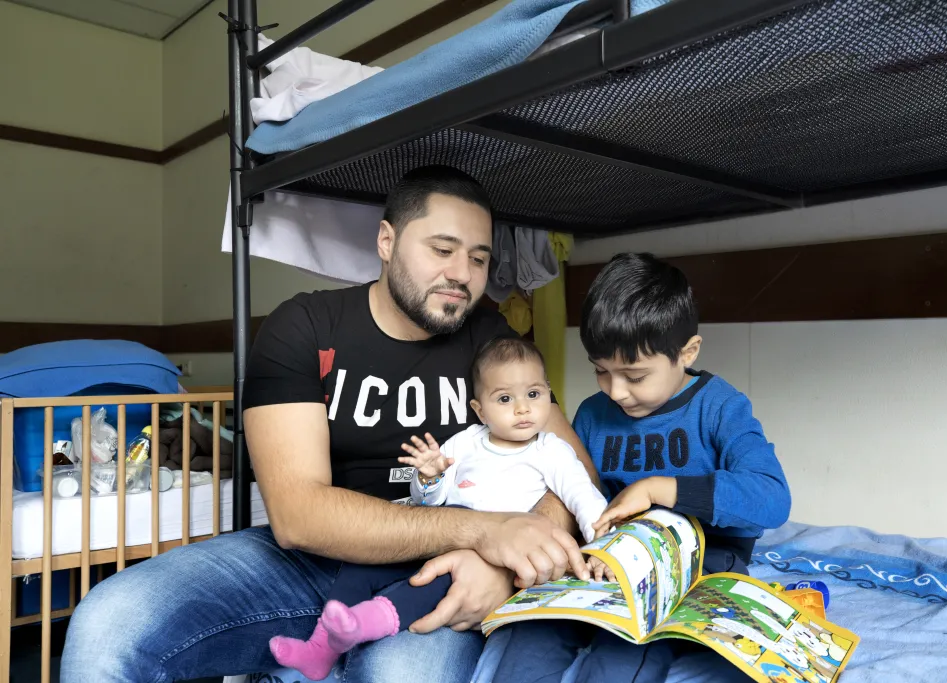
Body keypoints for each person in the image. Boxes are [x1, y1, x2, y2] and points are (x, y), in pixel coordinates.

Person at [59, 165, 598, 683]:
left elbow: (574, 468)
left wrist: (503, 565)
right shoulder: (305, 325)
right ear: (386, 241)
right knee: (108, 624)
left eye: (479, 259)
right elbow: (299, 516)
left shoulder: (489, 335)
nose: (461, 274)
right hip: (309, 562)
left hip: (439, 570)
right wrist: (484, 530)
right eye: (441, 250)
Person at [489, 252, 792, 683]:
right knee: (530, 636)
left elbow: (772, 498)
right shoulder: (594, 415)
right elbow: (575, 491)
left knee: (622, 649)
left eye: (634, 376)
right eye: (600, 372)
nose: (616, 392)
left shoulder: (720, 407)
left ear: (686, 353)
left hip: (701, 561)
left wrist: (659, 489)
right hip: (610, 558)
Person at [269, 337, 609, 680]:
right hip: (443, 539)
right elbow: (427, 503)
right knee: (358, 567)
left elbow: (581, 494)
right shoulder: (465, 442)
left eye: (533, 395)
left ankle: (361, 626)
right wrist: (429, 477)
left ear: (548, 396)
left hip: (485, 562)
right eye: (505, 399)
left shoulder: (550, 450)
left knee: (427, 585)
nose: (522, 408)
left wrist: (603, 544)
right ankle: (320, 648)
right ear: (480, 409)